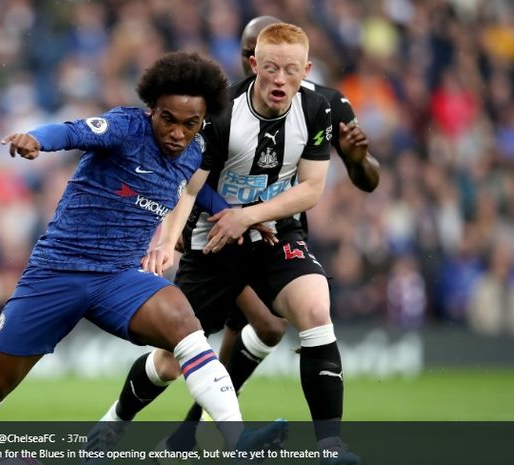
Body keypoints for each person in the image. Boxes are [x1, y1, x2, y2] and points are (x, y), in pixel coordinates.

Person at [0, 51, 285, 465]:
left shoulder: (193, 151)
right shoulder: (125, 127)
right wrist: (37, 140)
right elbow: (73, 131)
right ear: (153, 110)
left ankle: (235, 440)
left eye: (191, 124)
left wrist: (234, 214)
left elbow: (193, 190)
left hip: (119, 278)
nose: (177, 133)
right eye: (169, 118)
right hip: (58, 271)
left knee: (186, 325)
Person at [96, 22, 361, 464]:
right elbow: (189, 187)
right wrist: (165, 240)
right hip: (214, 240)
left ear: (306, 69)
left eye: (291, 71)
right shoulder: (223, 115)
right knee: (169, 362)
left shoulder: (318, 110)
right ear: (254, 64)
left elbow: (312, 189)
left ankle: (330, 446)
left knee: (315, 309)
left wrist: (251, 216)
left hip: (275, 234)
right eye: (271, 68)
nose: (280, 80)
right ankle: (113, 423)